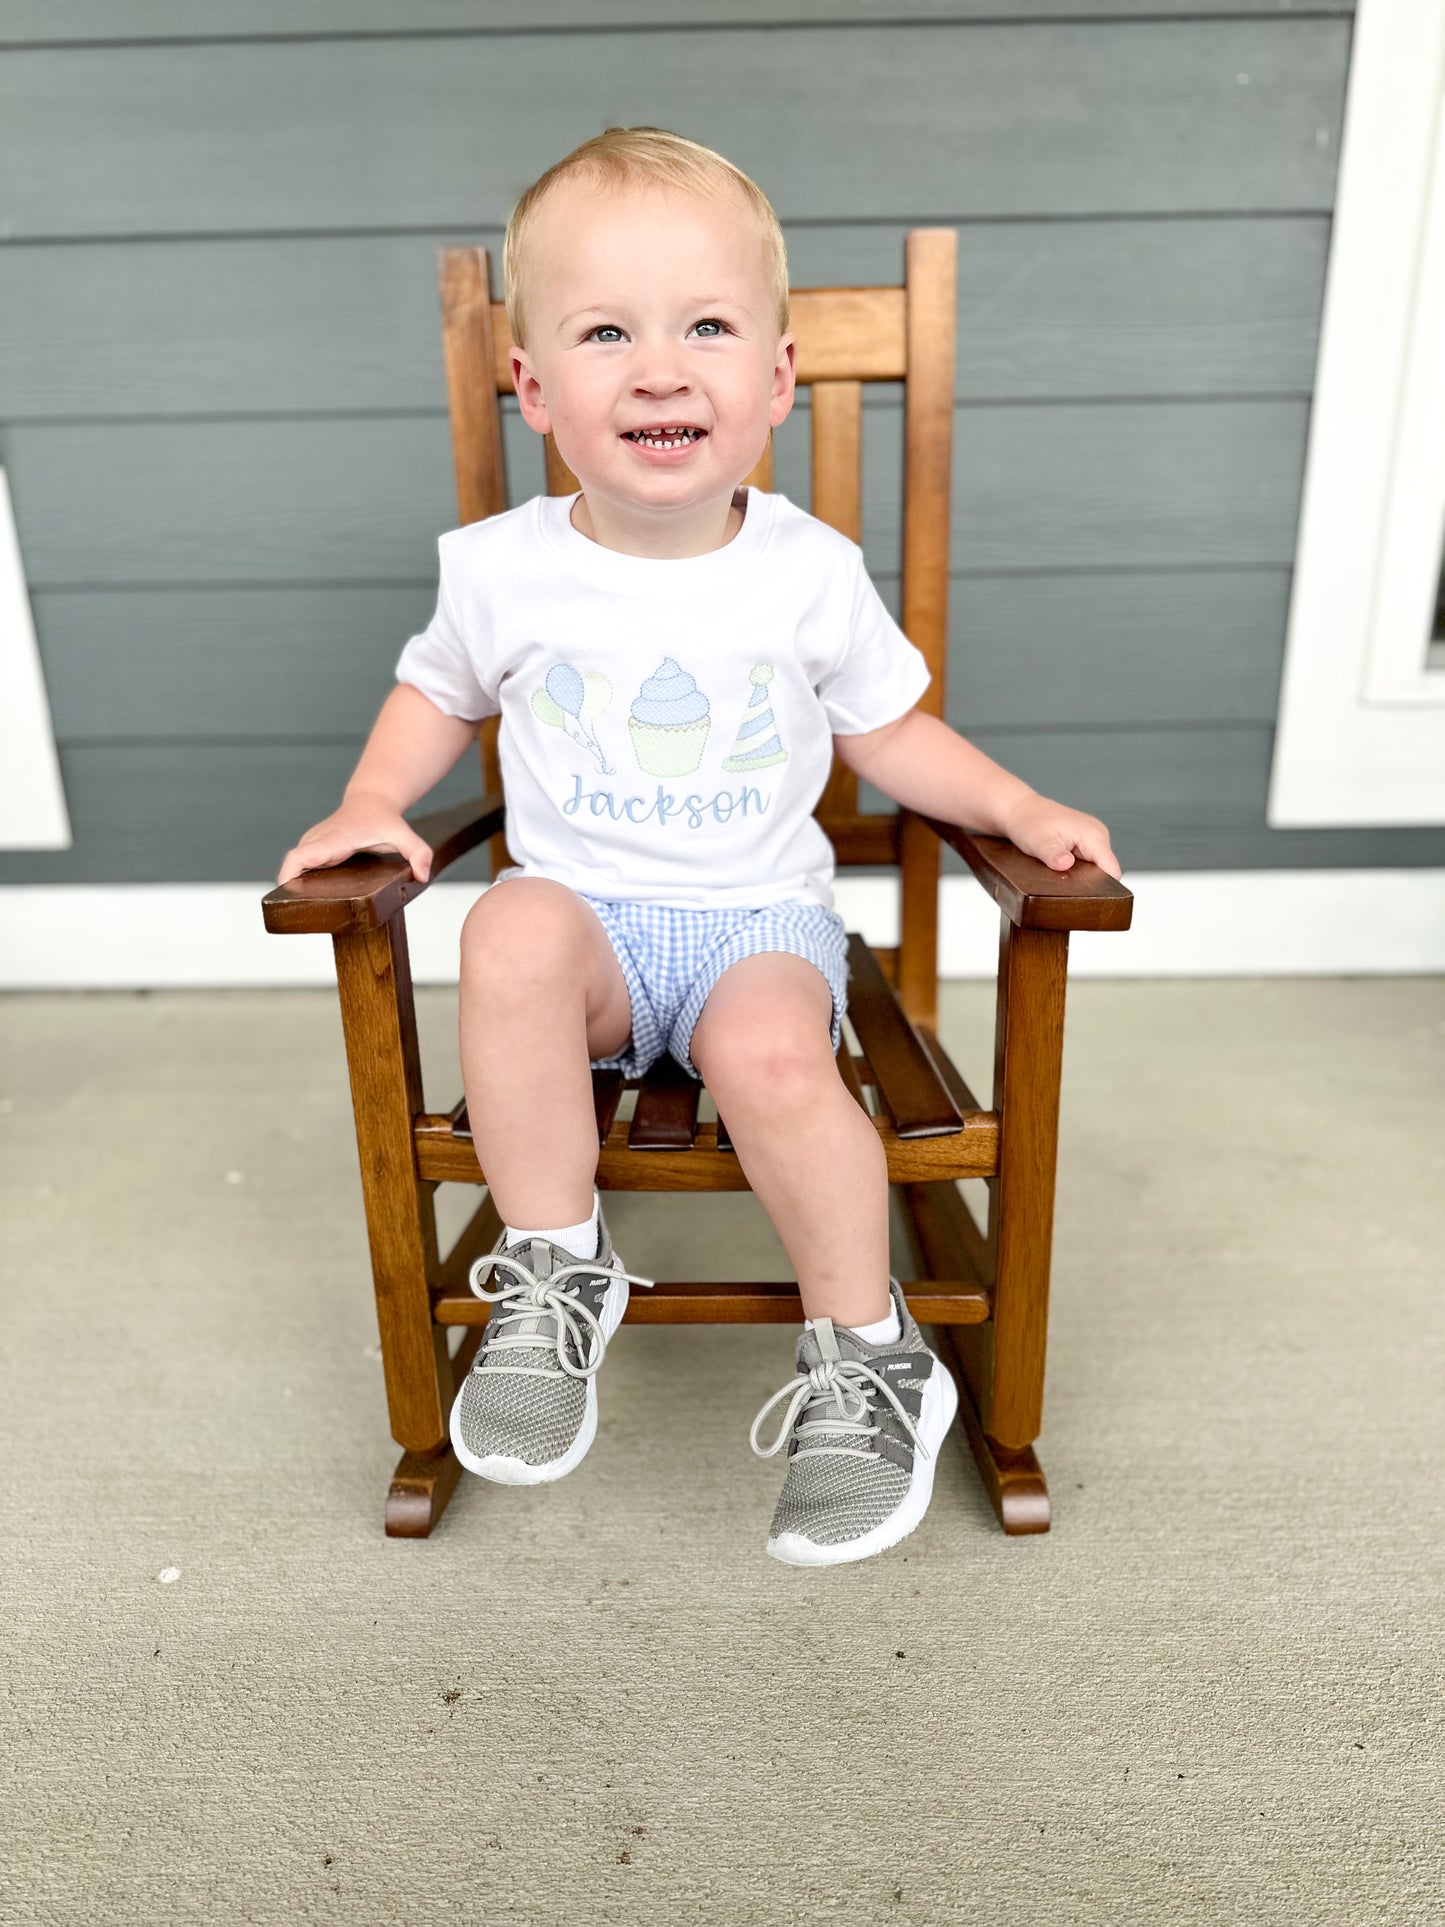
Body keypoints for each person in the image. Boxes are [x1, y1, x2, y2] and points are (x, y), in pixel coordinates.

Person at [276, 126, 1120, 1568]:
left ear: (775, 379)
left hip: (753, 931)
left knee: (777, 1062)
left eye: (708, 328)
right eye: (605, 332)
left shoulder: (805, 572)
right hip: (589, 935)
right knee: (508, 928)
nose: (660, 368)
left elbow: (888, 731)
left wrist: (1014, 809)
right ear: (535, 388)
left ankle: (869, 1354)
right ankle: (556, 1260)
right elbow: (434, 692)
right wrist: (372, 799)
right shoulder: (497, 568)